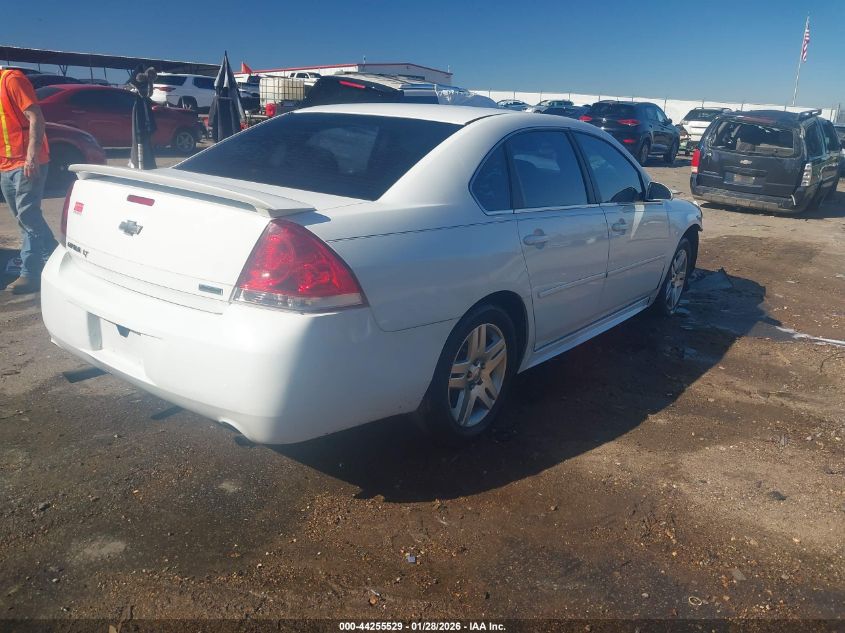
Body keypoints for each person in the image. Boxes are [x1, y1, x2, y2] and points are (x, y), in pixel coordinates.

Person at [0, 68, 57, 294]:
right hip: (5, 164)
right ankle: (53, 256)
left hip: (27, 162)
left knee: (27, 217)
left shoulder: (11, 80)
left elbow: (36, 117)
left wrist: (31, 157)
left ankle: (30, 274)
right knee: (25, 218)